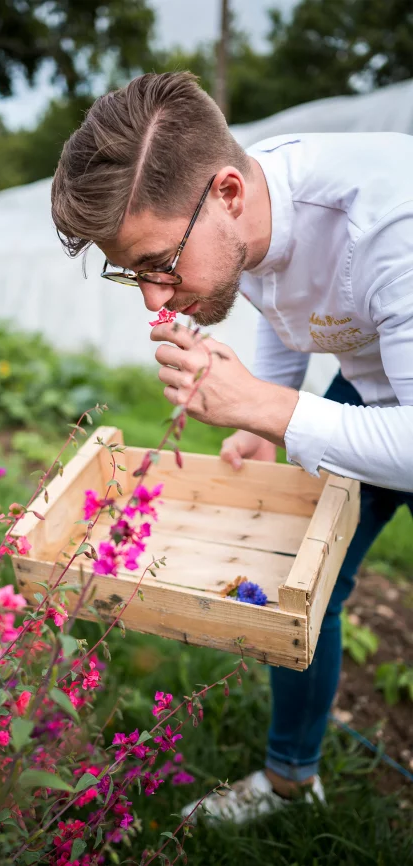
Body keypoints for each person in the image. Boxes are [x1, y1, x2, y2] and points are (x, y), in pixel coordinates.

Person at [50, 71, 413, 823]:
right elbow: (278, 296)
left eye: (158, 264)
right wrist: (263, 416)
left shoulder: (392, 226)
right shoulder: (240, 215)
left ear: (228, 195)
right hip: (379, 385)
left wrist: (264, 404)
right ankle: (290, 780)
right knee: (307, 588)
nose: (154, 299)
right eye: (132, 273)